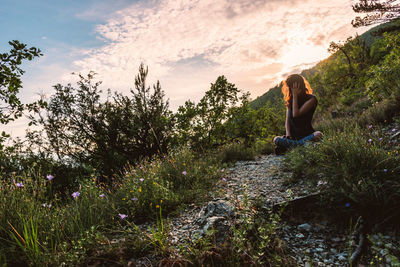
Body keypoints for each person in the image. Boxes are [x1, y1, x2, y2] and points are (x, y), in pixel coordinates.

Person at [273, 74, 322, 154]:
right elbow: (288, 121)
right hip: (293, 138)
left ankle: (292, 147)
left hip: (306, 135)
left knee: (318, 134)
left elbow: (296, 114)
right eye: (290, 88)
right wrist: (288, 136)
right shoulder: (290, 100)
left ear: (299, 86)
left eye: (293, 87)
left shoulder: (311, 99)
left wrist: (295, 96)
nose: (291, 90)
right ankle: (301, 146)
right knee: (276, 139)